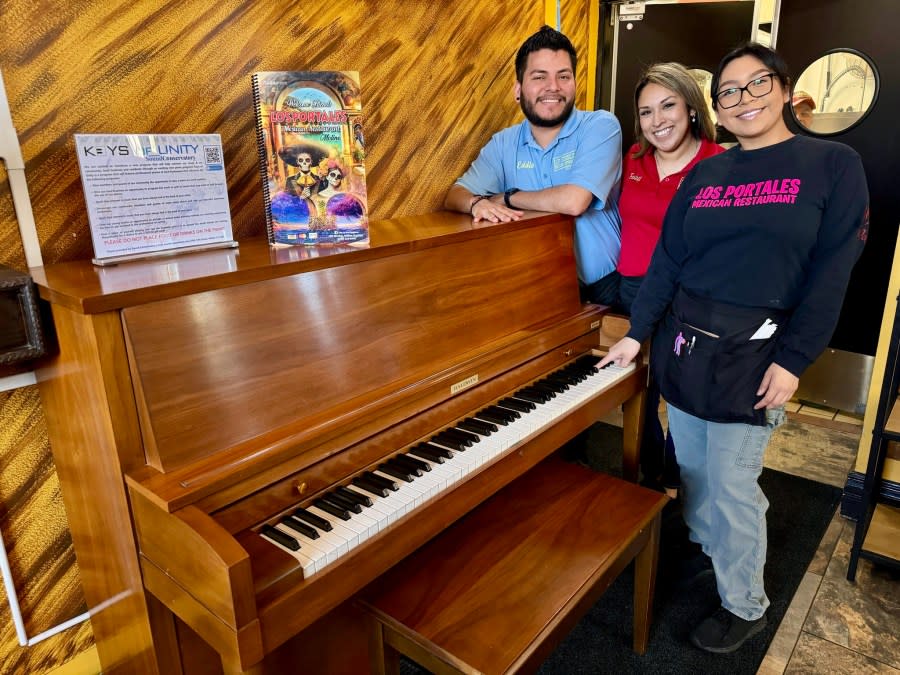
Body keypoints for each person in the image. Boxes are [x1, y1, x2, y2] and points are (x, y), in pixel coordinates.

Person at [599, 43, 868, 653]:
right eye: (729, 90)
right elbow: (667, 262)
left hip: (756, 353)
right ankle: (704, 551)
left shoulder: (832, 163)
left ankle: (745, 603)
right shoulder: (709, 172)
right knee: (691, 466)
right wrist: (637, 335)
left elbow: (832, 271)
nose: (743, 99)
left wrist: (794, 360)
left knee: (731, 483)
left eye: (756, 84)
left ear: (783, 87)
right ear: (715, 105)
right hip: (686, 344)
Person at [444, 25, 623, 300]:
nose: (553, 87)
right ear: (518, 89)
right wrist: (477, 203)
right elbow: (455, 195)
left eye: (564, 76)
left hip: (608, 289)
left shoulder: (600, 126)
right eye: (539, 77)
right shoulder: (504, 143)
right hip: (539, 291)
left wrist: (507, 198)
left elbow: (574, 201)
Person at [616, 63, 725, 497]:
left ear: (692, 108)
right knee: (640, 388)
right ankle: (650, 473)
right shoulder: (635, 158)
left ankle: (679, 477)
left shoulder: (718, 163)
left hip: (688, 299)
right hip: (634, 289)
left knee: (681, 394)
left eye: (667, 106)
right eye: (645, 112)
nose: (657, 121)